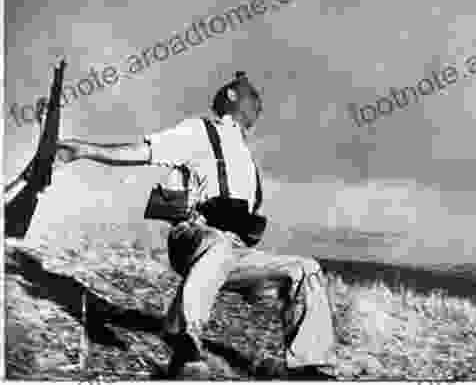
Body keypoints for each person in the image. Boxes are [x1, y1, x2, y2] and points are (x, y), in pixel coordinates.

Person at [56, 71, 336, 379]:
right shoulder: (199, 131)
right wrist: (83, 150)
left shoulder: (247, 160)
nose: (259, 103)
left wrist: (259, 281)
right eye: (253, 96)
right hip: (193, 236)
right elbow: (143, 152)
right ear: (232, 97)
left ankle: (311, 369)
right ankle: (183, 339)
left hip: (232, 251)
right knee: (216, 243)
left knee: (304, 268)